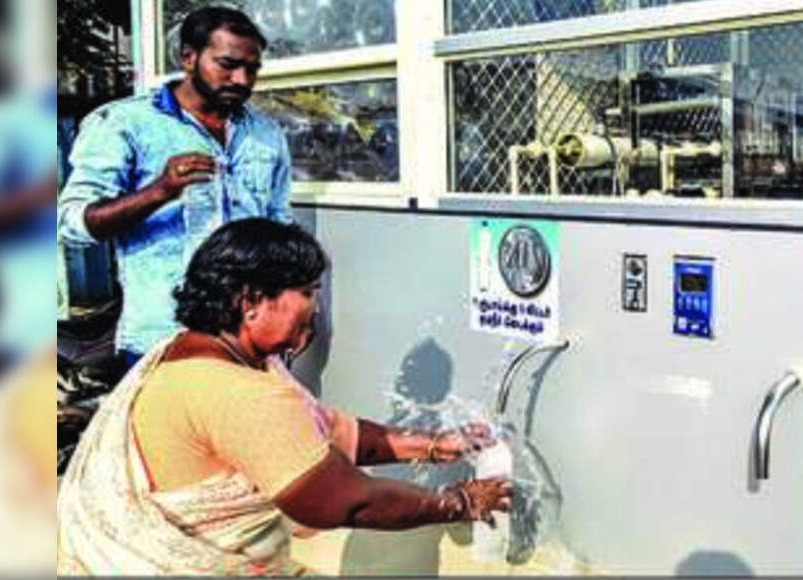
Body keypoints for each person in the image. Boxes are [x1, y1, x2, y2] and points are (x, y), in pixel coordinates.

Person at [57, 218, 512, 575]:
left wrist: (435, 446)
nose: (315, 307)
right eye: (307, 292)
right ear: (252, 300)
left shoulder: (192, 351)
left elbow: (327, 429)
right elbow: (346, 500)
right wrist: (459, 502)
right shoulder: (238, 393)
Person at [57, 7, 294, 366]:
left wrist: (295, 305)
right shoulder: (124, 123)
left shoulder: (266, 133)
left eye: (252, 68)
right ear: (188, 58)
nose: (242, 79)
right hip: (164, 338)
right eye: (227, 64)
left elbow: (279, 226)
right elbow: (72, 225)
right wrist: (159, 191)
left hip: (252, 333)